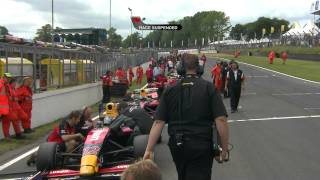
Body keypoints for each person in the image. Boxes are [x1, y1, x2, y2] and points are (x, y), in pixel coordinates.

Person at [143, 54, 229, 180]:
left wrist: (148, 150)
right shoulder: (209, 88)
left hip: (178, 144)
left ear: (180, 67)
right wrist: (224, 148)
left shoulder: (170, 89)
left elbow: (158, 122)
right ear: (199, 68)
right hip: (202, 144)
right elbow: (221, 120)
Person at [1, 73, 25, 139]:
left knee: (13, 121)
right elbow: (7, 97)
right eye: (7, 78)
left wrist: (14, 99)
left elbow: (9, 96)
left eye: (9, 78)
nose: (8, 79)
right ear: (4, 77)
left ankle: (17, 134)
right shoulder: (3, 85)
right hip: (5, 108)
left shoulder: (7, 86)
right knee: (6, 122)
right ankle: (8, 136)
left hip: (9, 108)